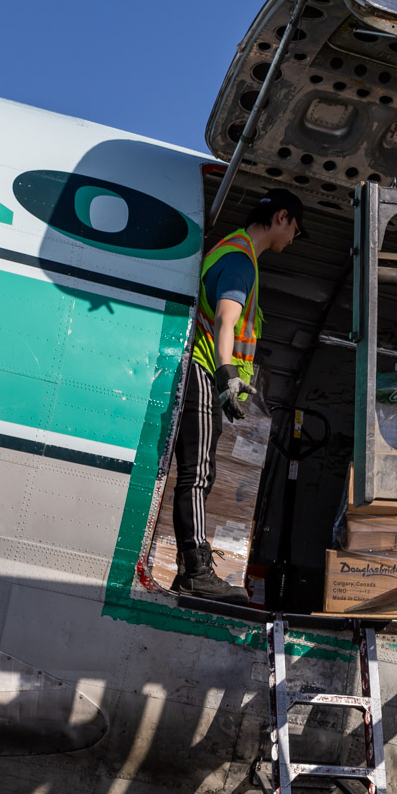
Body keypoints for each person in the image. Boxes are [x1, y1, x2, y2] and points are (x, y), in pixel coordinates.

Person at [170, 188, 305, 602]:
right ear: (281, 217)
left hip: (204, 367)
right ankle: (195, 571)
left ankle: (189, 571)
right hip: (204, 368)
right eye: (296, 229)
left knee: (198, 473)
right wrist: (228, 374)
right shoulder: (241, 259)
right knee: (198, 475)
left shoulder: (231, 250)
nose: (293, 238)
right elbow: (228, 318)